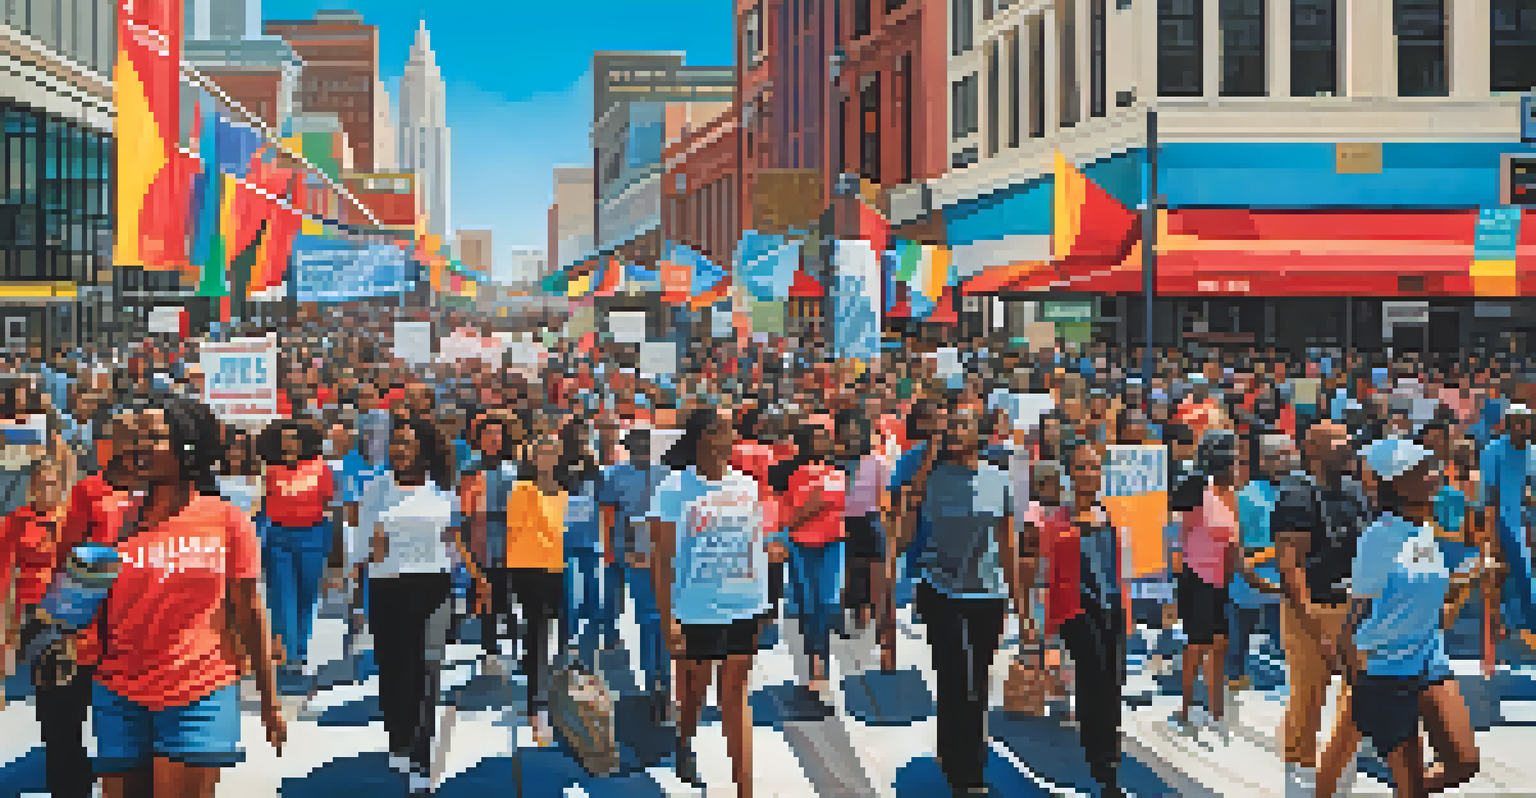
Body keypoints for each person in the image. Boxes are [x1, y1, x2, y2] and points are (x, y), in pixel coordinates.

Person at [89, 398, 286, 798]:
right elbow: (86, 598)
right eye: (137, 437)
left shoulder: (228, 520)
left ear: (189, 446)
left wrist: (270, 700)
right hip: (116, 692)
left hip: (199, 690)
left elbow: (250, 612)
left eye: (154, 437)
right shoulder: (114, 516)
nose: (140, 446)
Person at [1316, 438, 1482, 798]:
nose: (1434, 475)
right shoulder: (1378, 539)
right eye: (1422, 471)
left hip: (1429, 658)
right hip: (1386, 668)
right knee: (1396, 778)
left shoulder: (1425, 530)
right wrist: (1353, 672)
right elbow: (1357, 614)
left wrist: (1470, 579)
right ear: (1396, 484)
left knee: (1464, 763)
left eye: (1431, 468)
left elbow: (1426, 593)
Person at [908, 404, 1026, 797]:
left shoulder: (1000, 479)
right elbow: (907, 525)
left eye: (963, 426)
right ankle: (962, 772)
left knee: (977, 681)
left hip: (987, 595)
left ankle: (967, 761)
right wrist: (927, 460)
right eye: (951, 426)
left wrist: (1021, 607)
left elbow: (1008, 545)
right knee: (954, 676)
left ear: (980, 434)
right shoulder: (932, 477)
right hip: (940, 592)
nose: (956, 432)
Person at [649, 408, 768, 794]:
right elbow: (661, 558)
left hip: (743, 605)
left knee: (734, 695)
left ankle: (744, 788)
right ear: (703, 437)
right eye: (724, 430)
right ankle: (685, 741)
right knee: (694, 693)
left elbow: (755, 545)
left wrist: (765, 601)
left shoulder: (748, 486)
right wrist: (667, 618)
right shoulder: (673, 489)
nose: (732, 437)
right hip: (694, 608)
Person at [361, 416, 462, 795]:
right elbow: (362, 543)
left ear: (424, 449)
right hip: (387, 585)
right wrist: (370, 551)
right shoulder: (376, 489)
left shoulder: (443, 490)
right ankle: (399, 738)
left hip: (434, 586)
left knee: (426, 667)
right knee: (394, 668)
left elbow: (452, 541)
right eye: (395, 443)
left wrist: (469, 583)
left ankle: (421, 758)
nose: (398, 450)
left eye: (406, 443)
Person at [1273, 421, 1372, 797]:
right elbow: (1291, 567)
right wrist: (1316, 628)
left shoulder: (1355, 491)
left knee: (1358, 700)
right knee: (1308, 697)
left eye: (1348, 440)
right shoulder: (1296, 494)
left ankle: (1339, 774)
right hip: (1312, 609)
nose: (1347, 446)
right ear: (1311, 449)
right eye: (1337, 442)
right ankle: (1298, 779)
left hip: (1355, 611)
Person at [0, 444, 83, 796]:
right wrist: (6, 643)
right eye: (40, 483)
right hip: (38, 622)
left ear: (62, 485)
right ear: (31, 484)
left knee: (78, 702)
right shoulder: (15, 522)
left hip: (77, 617)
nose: (45, 489)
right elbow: (4, 581)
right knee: (53, 703)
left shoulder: (75, 520)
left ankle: (74, 769)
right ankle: (63, 775)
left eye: (52, 483)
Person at [255, 419, 340, 687]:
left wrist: (336, 551)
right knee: (281, 599)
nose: (289, 443)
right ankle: (286, 658)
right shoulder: (270, 471)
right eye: (284, 438)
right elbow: (260, 508)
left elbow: (331, 507)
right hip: (278, 539)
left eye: (293, 438)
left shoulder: (321, 469)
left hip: (313, 535)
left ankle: (300, 653)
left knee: (306, 598)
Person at [770, 418, 848, 693]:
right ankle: (814, 658)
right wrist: (811, 509)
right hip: (801, 546)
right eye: (819, 439)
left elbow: (841, 507)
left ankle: (819, 660)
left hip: (833, 544)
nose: (825, 443)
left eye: (826, 438)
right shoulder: (786, 474)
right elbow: (782, 517)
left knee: (827, 603)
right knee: (808, 605)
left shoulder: (838, 471)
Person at [598, 428, 671, 717]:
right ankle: (653, 681)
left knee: (663, 619)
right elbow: (609, 515)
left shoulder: (667, 474)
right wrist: (612, 551)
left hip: (663, 555)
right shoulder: (615, 475)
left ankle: (665, 681)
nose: (641, 449)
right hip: (632, 554)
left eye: (645, 444)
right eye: (635, 444)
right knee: (646, 618)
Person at [1174, 429, 1242, 739]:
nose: (1239, 466)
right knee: (1197, 644)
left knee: (1220, 644)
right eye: (1234, 461)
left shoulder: (1233, 497)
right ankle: (1186, 707)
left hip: (1222, 582)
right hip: (1195, 577)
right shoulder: (1197, 489)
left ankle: (1216, 710)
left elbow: (1234, 544)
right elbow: (1177, 533)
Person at [503, 436, 569, 745]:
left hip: (561, 570)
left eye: (551, 452)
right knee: (538, 637)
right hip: (530, 570)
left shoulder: (566, 491)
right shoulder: (521, 490)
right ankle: (536, 708)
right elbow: (521, 532)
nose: (546, 457)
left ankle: (561, 703)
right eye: (541, 452)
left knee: (562, 638)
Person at [459, 411, 521, 676]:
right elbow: (464, 510)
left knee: (509, 593)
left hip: (509, 537)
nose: (493, 438)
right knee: (485, 593)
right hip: (480, 536)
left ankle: (516, 645)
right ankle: (489, 646)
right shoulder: (470, 469)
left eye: (497, 434)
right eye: (488, 434)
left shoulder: (513, 470)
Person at [837, 408, 895, 670]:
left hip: (870, 520)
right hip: (842, 521)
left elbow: (886, 495)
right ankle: (848, 618)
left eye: (856, 430)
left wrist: (886, 521)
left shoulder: (878, 461)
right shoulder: (835, 462)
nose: (852, 435)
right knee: (847, 572)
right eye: (847, 430)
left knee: (875, 575)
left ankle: (879, 627)